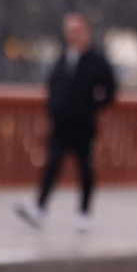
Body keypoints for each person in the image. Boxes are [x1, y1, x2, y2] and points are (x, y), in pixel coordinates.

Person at [16, 12, 117, 232]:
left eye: (76, 31)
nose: (73, 35)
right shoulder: (63, 58)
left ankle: (84, 212)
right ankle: (39, 208)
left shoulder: (96, 61)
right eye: (69, 31)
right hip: (61, 124)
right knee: (52, 165)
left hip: (84, 126)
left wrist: (92, 107)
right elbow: (54, 87)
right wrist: (51, 111)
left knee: (85, 169)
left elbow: (110, 91)